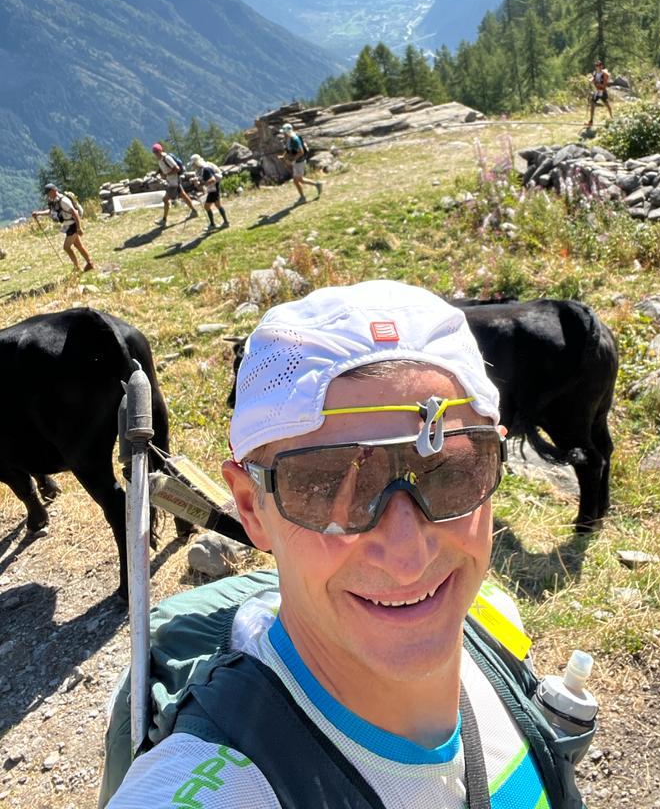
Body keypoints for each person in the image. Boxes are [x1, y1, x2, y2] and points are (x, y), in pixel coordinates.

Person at [104, 280, 589, 809]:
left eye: (451, 472)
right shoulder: (220, 788)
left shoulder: (493, 622)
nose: (408, 559)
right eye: (327, 487)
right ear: (251, 508)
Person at [32, 183, 94, 272]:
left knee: (66, 247)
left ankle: (77, 267)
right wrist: (38, 213)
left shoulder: (64, 201)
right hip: (68, 225)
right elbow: (51, 211)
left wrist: (79, 228)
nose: (48, 195)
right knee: (78, 245)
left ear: (53, 191)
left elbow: (75, 213)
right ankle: (89, 263)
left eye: (48, 193)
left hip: (73, 225)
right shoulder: (55, 200)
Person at [151, 143, 198, 226]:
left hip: (174, 182)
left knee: (165, 200)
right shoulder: (160, 159)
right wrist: (157, 173)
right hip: (173, 181)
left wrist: (167, 174)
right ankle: (194, 212)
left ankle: (164, 220)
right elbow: (162, 167)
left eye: (157, 151)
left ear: (161, 150)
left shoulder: (167, 158)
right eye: (154, 152)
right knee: (183, 195)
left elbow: (177, 168)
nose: (156, 153)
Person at [281, 124, 322, 202]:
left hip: (299, 162)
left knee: (297, 180)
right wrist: (283, 156)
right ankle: (316, 185)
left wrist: (292, 160)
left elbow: (301, 152)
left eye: (284, 132)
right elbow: (288, 149)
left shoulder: (295, 139)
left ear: (287, 132)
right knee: (299, 180)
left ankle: (303, 197)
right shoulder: (289, 139)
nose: (283, 134)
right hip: (298, 162)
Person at [189, 153, 229, 231]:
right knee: (217, 205)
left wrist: (202, 184)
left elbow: (212, 180)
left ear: (196, 163)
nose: (192, 166)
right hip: (213, 188)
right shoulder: (201, 169)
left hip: (213, 189)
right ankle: (224, 222)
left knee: (207, 206)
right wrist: (197, 181)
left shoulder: (205, 169)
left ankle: (214, 224)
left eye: (193, 164)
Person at [584, 60, 613, 131]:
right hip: (597, 91)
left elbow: (604, 85)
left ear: (601, 66)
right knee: (592, 103)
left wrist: (596, 83)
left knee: (607, 104)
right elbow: (593, 78)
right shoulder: (595, 73)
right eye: (596, 65)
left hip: (602, 91)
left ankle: (612, 117)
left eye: (599, 65)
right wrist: (591, 80)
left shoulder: (605, 74)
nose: (598, 67)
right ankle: (591, 121)